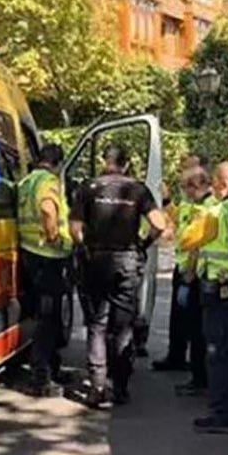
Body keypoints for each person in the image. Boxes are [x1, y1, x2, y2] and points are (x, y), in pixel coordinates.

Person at [70, 145, 168, 408]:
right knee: (123, 326)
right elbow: (159, 224)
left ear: (105, 161)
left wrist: (83, 248)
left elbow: (75, 229)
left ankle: (98, 386)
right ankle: (121, 387)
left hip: (96, 261)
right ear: (125, 165)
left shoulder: (88, 188)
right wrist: (144, 244)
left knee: (97, 325)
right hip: (126, 261)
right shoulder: (137, 190)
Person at [179, 161, 228, 434]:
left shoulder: (215, 212)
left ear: (222, 184)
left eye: (214, 181)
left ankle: (223, 414)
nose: (211, 186)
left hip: (218, 287)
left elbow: (186, 240)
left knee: (217, 352)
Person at [17, 144, 72, 398]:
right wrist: (54, 238)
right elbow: (48, 209)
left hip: (30, 253)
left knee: (44, 316)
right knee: (48, 320)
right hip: (48, 257)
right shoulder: (49, 181)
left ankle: (52, 368)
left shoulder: (26, 180)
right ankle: (41, 377)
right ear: (58, 163)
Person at [153, 165, 213, 377]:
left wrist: (188, 276)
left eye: (184, 187)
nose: (183, 191)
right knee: (182, 319)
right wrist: (167, 202)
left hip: (195, 273)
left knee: (196, 327)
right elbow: (178, 219)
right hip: (185, 269)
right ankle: (178, 359)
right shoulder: (193, 204)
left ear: (195, 186)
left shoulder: (207, 207)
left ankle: (199, 375)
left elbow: (198, 244)